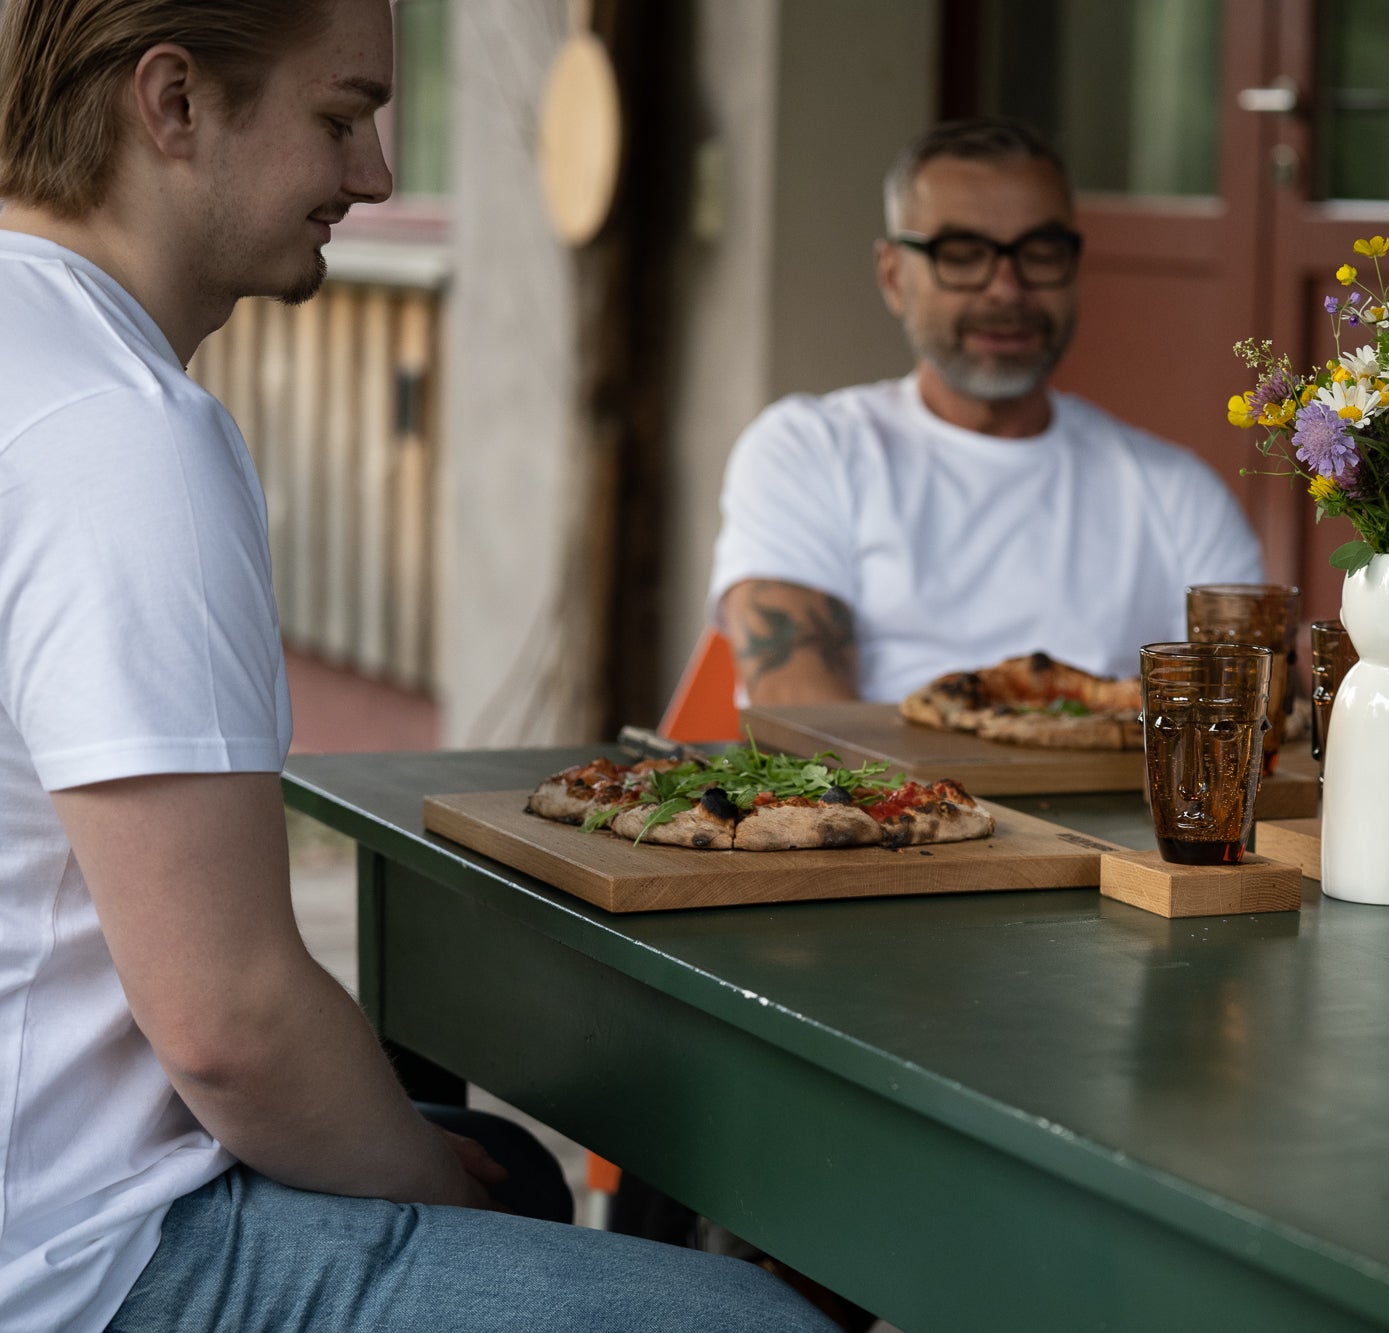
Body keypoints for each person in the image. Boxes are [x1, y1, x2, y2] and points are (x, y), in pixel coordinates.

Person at [0, 3, 835, 1330]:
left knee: (508, 1164)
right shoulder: (122, 435)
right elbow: (230, 1023)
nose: (375, 174)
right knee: (754, 1319)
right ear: (171, 106)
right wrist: (443, 1210)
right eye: (338, 119)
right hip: (74, 1262)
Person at [707, 117, 1266, 705]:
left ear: (1074, 268)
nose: (1006, 287)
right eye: (963, 254)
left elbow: (1248, 726)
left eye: (1040, 252)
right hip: (875, 799)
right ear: (894, 277)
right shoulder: (810, 450)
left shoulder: (1180, 494)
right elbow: (806, 723)